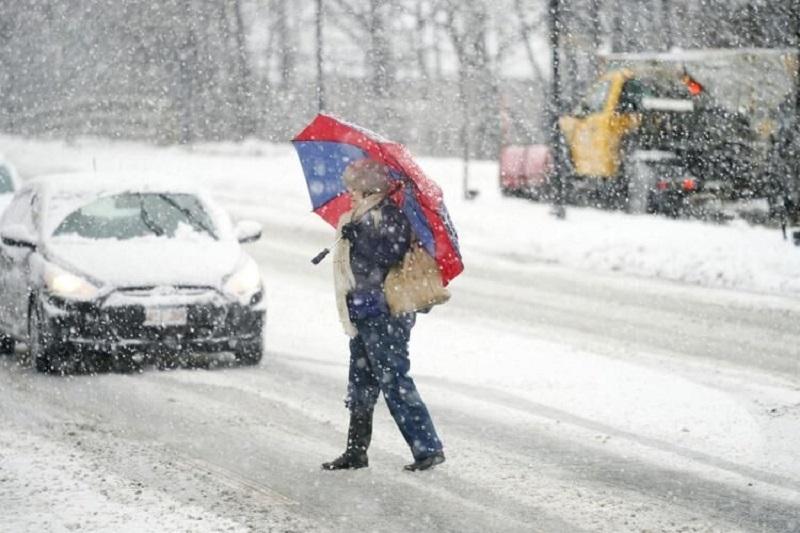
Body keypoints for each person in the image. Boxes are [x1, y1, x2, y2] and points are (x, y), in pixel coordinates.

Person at [322, 159, 445, 472]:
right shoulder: (362, 216)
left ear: (367, 188)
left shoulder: (388, 215)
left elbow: (388, 256)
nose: (348, 192)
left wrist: (358, 238)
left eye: (353, 186)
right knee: (360, 384)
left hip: (385, 314)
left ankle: (427, 448)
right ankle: (355, 451)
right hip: (364, 311)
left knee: (394, 381)